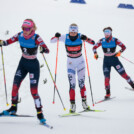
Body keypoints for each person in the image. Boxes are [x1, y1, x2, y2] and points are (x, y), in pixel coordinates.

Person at [0, 19, 49, 123]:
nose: (25, 30)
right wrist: (2, 42)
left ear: (32, 28)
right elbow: (7, 42)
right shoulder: (19, 35)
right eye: (23, 28)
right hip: (22, 63)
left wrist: (43, 49)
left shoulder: (36, 37)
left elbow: (46, 49)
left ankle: (40, 113)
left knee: (34, 91)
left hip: (33, 66)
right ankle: (13, 108)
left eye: (27, 28)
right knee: (15, 86)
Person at [50, 23, 95, 113]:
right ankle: (72, 106)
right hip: (70, 63)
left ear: (77, 31)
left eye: (75, 32)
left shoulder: (80, 36)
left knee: (81, 83)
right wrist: (56, 36)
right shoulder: (64, 37)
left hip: (80, 62)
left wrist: (86, 38)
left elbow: (93, 43)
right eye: (71, 31)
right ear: (69, 31)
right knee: (72, 85)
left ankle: (85, 103)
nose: (73, 33)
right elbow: (51, 41)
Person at [93, 27, 134, 99]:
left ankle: (133, 85)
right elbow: (94, 47)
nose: (107, 34)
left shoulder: (115, 40)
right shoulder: (101, 40)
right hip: (106, 61)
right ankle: (108, 93)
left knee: (124, 75)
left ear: (111, 32)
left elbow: (123, 47)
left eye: (108, 32)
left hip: (115, 60)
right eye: (105, 32)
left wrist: (119, 52)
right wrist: (95, 54)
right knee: (106, 77)